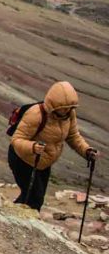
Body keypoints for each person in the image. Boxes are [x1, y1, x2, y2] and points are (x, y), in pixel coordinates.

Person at [9, 80, 100, 210]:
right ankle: (22, 223)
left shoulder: (69, 115)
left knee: (33, 197)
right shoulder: (36, 114)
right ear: (54, 105)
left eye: (70, 107)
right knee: (35, 199)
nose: (67, 110)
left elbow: (73, 136)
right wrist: (33, 147)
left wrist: (86, 151)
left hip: (43, 161)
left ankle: (15, 217)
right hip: (22, 159)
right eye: (64, 108)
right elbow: (17, 140)